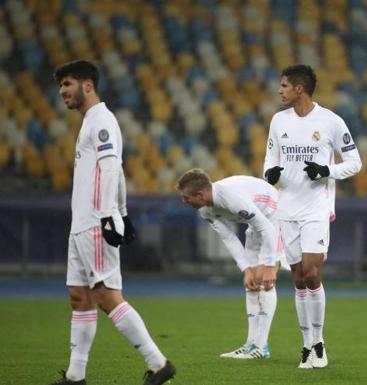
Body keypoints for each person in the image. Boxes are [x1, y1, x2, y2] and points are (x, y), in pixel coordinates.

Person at [48, 60, 175, 385]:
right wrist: (123, 211)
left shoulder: (102, 120)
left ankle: (158, 363)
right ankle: (75, 377)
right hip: (83, 224)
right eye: (61, 85)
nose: (63, 91)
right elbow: (115, 171)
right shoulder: (90, 121)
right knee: (79, 296)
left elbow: (109, 170)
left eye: (67, 84)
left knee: (105, 295)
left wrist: (110, 215)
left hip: (94, 223)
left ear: (87, 85)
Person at [263, 64, 362, 369]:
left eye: (283, 86)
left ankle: (319, 344)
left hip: (316, 209)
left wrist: (326, 171)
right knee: (296, 279)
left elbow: (355, 162)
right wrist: (270, 173)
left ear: (299, 89)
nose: (279, 91)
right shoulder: (278, 122)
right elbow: (269, 159)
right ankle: (306, 346)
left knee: (311, 274)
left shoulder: (331, 122)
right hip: (286, 209)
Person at [176, 169, 282, 360]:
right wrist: (246, 269)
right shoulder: (204, 209)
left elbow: (266, 227)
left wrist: (268, 265)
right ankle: (251, 344)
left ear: (200, 195)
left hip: (276, 216)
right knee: (251, 283)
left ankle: (261, 346)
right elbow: (229, 237)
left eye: (186, 197)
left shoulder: (231, 198)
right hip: (257, 226)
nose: (184, 201)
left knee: (265, 281)